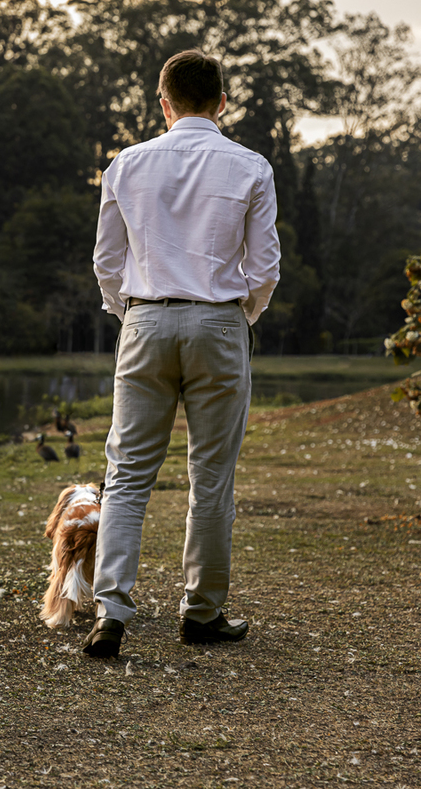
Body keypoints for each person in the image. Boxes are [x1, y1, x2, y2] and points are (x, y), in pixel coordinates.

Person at [84, 49, 281, 658]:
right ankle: (202, 612)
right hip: (220, 326)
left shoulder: (127, 164)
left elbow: (105, 262)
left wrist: (131, 315)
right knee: (211, 478)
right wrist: (235, 318)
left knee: (127, 478)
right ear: (222, 102)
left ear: (163, 104)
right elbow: (265, 267)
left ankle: (111, 611)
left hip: (145, 321)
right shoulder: (250, 166)